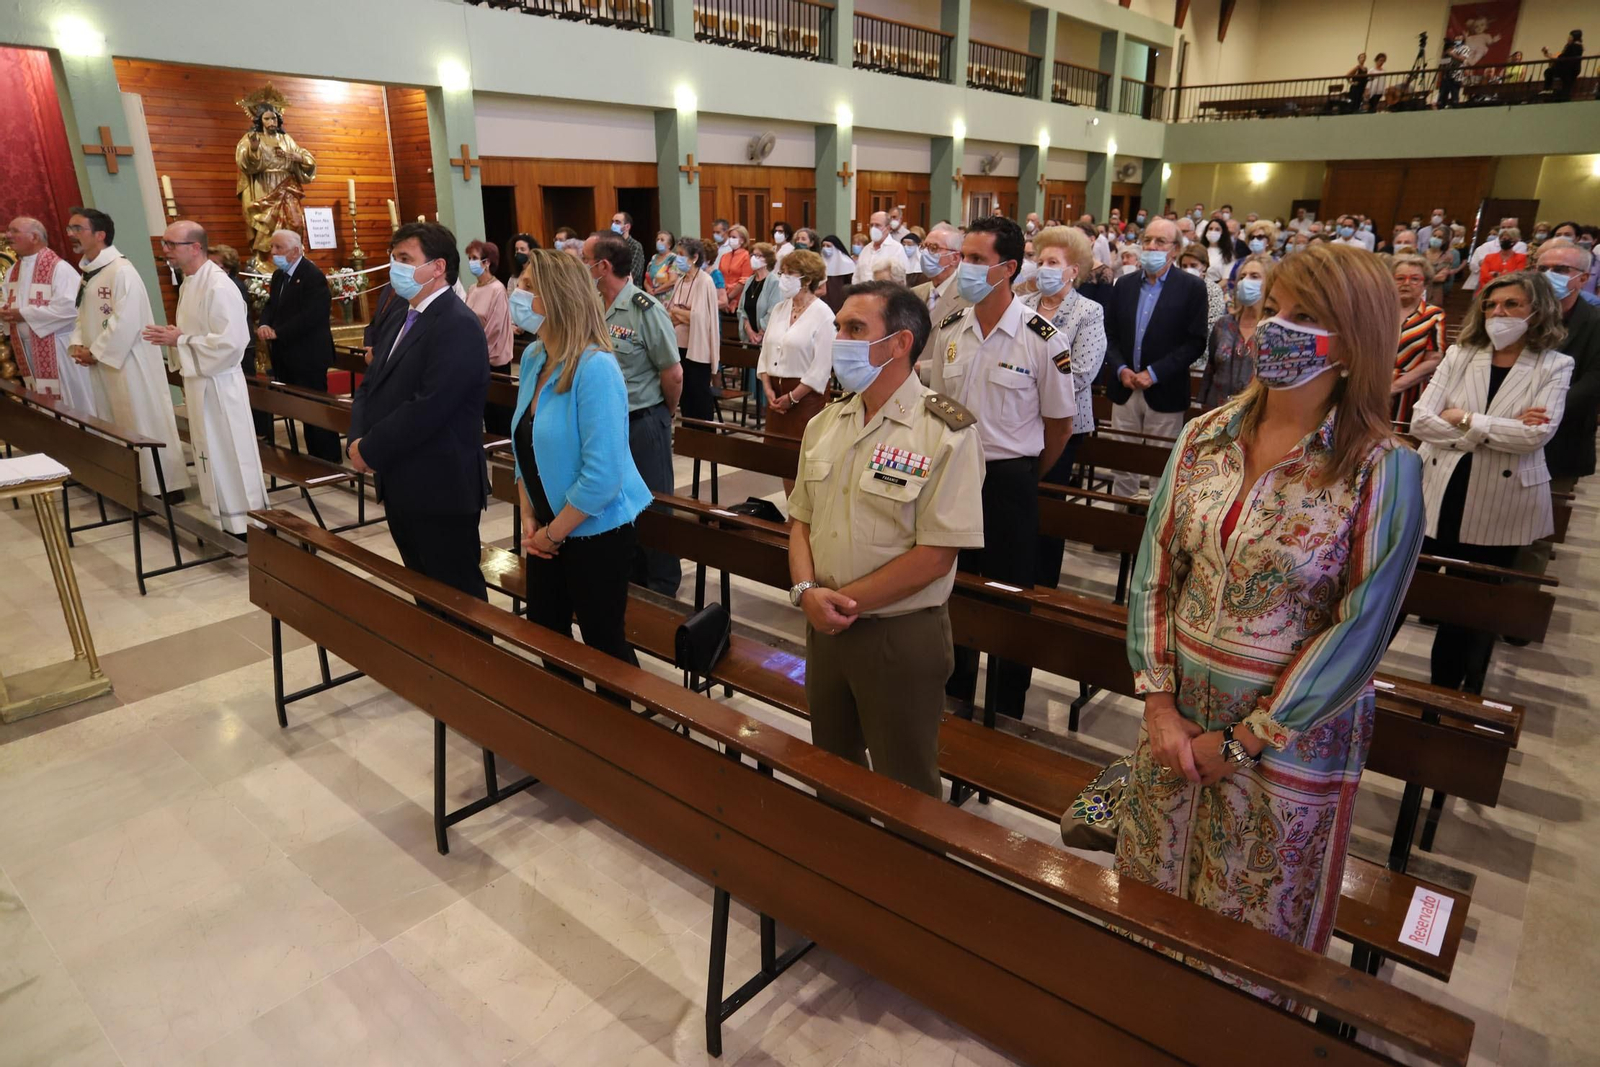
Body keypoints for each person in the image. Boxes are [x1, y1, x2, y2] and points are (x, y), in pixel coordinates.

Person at [1119, 242, 1425, 982]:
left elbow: (1361, 626)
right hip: (1177, 719)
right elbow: (1155, 570)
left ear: (1354, 342)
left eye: (1306, 316)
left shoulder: (1382, 468)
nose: (1274, 327)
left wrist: (1248, 738)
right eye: (1274, 309)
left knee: (1253, 925)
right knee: (1151, 898)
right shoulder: (1204, 437)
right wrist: (1159, 704)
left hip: (1286, 743)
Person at [787, 281, 985, 795]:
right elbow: (801, 521)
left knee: (905, 782)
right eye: (838, 328)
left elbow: (937, 555)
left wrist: (838, 603)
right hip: (825, 627)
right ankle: (844, 865)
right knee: (832, 768)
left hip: (898, 635)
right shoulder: (826, 422)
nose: (839, 339)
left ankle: (907, 873)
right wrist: (807, 594)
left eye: (855, 328)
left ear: (899, 344)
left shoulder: (945, 432)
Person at [923, 215, 1076, 719]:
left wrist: (1025, 471)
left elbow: (1059, 425)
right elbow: (936, 403)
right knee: (952, 586)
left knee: (1011, 597)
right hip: (953, 476)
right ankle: (955, 691)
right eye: (961, 257)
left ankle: (1007, 705)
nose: (963, 268)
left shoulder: (1041, 338)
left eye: (975, 260)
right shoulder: (950, 328)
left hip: (1009, 480)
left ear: (1007, 268)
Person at [1412, 272, 1572, 692]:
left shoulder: (1555, 365)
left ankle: (1449, 697)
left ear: (1537, 310)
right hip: (1438, 489)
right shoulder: (1461, 354)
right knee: (1408, 594)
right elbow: (1421, 421)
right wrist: (1499, 427)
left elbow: (1535, 436)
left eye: (1511, 305)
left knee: (1470, 612)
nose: (1498, 313)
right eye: (1491, 304)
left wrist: (1462, 418)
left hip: (1499, 503)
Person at [505, 247, 653, 682]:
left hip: (595, 528)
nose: (517, 293)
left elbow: (602, 477)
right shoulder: (534, 357)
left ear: (557, 297)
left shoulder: (596, 368)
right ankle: (569, 730)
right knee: (546, 632)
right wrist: (530, 519)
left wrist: (553, 534)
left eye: (529, 287)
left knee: (602, 643)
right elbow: (523, 444)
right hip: (547, 525)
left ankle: (620, 735)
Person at [347, 221, 489, 600]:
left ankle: (470, 660)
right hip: (399, 479)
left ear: (438, 267)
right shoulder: (401, 315)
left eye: (406, 259)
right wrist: (355, 439)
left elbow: (430, 407)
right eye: (394, 258)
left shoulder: (458, 324)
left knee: (456, 594)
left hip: (440, 483)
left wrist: (370, 449)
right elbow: (370, 383)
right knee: (422, 587)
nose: (396, 267)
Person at [141, 221, 267, 535]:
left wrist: (180, 341)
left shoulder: (218, 286)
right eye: (164, 244)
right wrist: (177, 338)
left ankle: (246, 522)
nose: (165, 251)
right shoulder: (190, 282)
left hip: (221, 385)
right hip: (201, 383)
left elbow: (232, 342)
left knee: (230, 452)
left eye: (171, 244)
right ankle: (223, 518)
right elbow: (196, 334)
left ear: (195, 247)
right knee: (208, 451)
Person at [63, 208, 190, 500]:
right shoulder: (91, 272)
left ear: (100, 234)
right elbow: (82, 314)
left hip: (129, 363)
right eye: (70, 228)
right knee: (115, 422)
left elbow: (128, 320)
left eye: (77, 229)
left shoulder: (121, 271)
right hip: (104, 363)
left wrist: (95, 351)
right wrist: (80, 345)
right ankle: (131, 482)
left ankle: (164, 485)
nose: (71, 235)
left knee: (141, 419)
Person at [582, 230, 683, 595]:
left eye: (585, 259)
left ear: (603, 265)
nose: (582, 266)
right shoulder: (592, 305)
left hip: (642, 420)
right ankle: (632, 576)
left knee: (653, 506)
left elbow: (672, 373)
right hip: (606, 425)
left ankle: (662, 584)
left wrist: (662, 416)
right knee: (617, 502)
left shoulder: (645, 309)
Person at [1023, 225, 1107, 588]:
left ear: (1073, 270)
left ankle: (1042, 586)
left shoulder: (1087, 311)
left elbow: (1082, 371)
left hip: (1061, 424)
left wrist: (1024, 389)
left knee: (1048, 507)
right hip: (1017, 421)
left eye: (1053, 262)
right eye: (1040, 260)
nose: (1043, 267)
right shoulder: (1022, 305)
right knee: (1017, 506)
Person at [1103, 218, 1209, 501]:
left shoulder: (1191, 288)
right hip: (1124, 387)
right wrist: (1121, 368)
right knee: (1123, 460)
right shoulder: (1123, 285)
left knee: (1158, 465)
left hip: (1164, 388)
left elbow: (1195, 342)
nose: (1151, 246)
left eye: (1160, 242)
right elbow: (1109, 335)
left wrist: (1155, 372)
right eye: (1147, 240)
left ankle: (1152, 526)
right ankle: (1121, 513)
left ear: (1174, 249)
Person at [256, 228, 339, 461]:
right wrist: (264, 324)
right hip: (286, 354)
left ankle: (327, 458)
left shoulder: (312, 275)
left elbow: (312, 316)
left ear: (294, 251)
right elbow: (272, 306)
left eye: (278, 248)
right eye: (272, 247)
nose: (273, 252)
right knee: (300, 407)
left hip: (308, 355)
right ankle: (312, 456)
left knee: (315, 409)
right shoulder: (279, 276)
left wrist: (278, 332)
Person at [2, 217, 95, 414]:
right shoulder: (12, 272)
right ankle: (54, 442)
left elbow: (71, 307)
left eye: (14, 231)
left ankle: (82, 442)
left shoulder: (59, 268)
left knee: (71, 403)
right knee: (43, 405)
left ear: (34, 237)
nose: (8, 236)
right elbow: (6, 301)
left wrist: (24, 314)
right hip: (28, 350)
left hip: (59, 348)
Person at [758, 249, 835, 443]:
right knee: (780, 459)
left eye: (789, 274)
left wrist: (792, 397)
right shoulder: (779, 308)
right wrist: (768, 389)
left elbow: (821, 368)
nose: (783, 278)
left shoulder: (823, 314)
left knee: (801, 460)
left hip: (806, 398)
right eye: (782, 273)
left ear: (807, 280)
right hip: (776, 394)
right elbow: (765, 352)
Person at [1198, 253, 1268, 409]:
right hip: (1217, 409)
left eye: (1254, 276)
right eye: (1242, 277)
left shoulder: (1273, 329)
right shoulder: (1223, 325)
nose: (1245, 281)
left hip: (1255, 411)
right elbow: (1211, 369)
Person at [1390, 254, 1447, 430]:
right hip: (1371, 387)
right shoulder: (1378, 310)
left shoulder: (1433, 315)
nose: (1406, 283)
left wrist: (1394, 387)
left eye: (1414, 279)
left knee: (1397, 445)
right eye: (1400, 278)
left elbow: (1434, 360)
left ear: (1425, 283)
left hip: (1410, 390)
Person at [666, 236, 720, 420]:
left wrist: (680, 312)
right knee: (686, 396)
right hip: (679, 345)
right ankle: (689, 438)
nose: (678, 259)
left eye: (681, 255)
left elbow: (700, 317)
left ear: (695, 257)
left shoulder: (705, 281)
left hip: (697, 348)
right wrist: (682, 312)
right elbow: (670, 311)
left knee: (699, 395)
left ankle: (703, 439)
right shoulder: (680, 281)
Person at [910, 223, 967, 327]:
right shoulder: (914, 294)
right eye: (924, 247)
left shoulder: (967, 298)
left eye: (934, 248)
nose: (926, 253)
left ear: (954, 258)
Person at [738, 240, 778, 344]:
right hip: (749, 337)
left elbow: (773, 311)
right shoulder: (749, 281)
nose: (754, 258)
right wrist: (749, 331)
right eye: (753, 255)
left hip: (767, 339)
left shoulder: (774, 282)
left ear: (768, 260)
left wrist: (760, 334)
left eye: (759, 256)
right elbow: (742, 309)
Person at [852, 211, 907, 286]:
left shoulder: (896, 249)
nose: (873, 229)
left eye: (877, 225)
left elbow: (901, 279)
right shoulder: (866, 250)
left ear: (888, 227)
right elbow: (856, 277)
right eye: (871, 225)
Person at [1541, 29, 1584, 100]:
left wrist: (1548, 54)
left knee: (1549, 72)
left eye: (1570, 37)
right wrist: (1548, 54)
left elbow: (1562, 57)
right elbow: (1561, 56)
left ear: (1574, 37)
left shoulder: (1574, 46)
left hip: (1567, 70)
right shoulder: (1578, 46)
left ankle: (1547, 90)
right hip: (1571, 69)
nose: (1568, 38)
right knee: (1566, 85)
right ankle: (1563, 96)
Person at [608, 211, 647, 287]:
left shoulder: (635, 246)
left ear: (627, 227)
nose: (613, 225)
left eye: (617, 222)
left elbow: (633, 272)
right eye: (612, 222)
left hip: (630, 290)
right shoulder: (610, 245)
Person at [818, 235, 856, 312]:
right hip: (823, 302)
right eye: (823, 246)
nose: (825, 248)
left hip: (840, 301)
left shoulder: (847, 263)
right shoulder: (819, 263)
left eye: (828, 246)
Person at [719, 224, 753, 307]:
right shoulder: (724, 256)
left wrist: (730, 297)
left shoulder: (746, 256)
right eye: (730, 237)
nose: (731, 239)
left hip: (739, 298)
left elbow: (744, 281)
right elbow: (720, 276)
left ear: (742, 240)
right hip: (723, 296)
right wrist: (723, 296)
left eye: (734, 237)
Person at [1198, 217, 1235, 285]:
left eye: (1217, 229)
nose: (1213, 231)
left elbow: (1226, 279)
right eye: (1210, 229)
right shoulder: (1199, 249)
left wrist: (1212, 291)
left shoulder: (1228, 254)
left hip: (1216, 287)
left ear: (1223, 233)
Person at [646, 229, 680, 297]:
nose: (658, 242)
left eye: (662, 240)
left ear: (669, 245)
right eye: (657, 239)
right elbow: (647, 278)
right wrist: (649, 290)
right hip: (652, 296)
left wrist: (656, 291)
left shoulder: (673, 258)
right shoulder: (653, 257)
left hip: (667, 298)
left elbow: (672, 281)